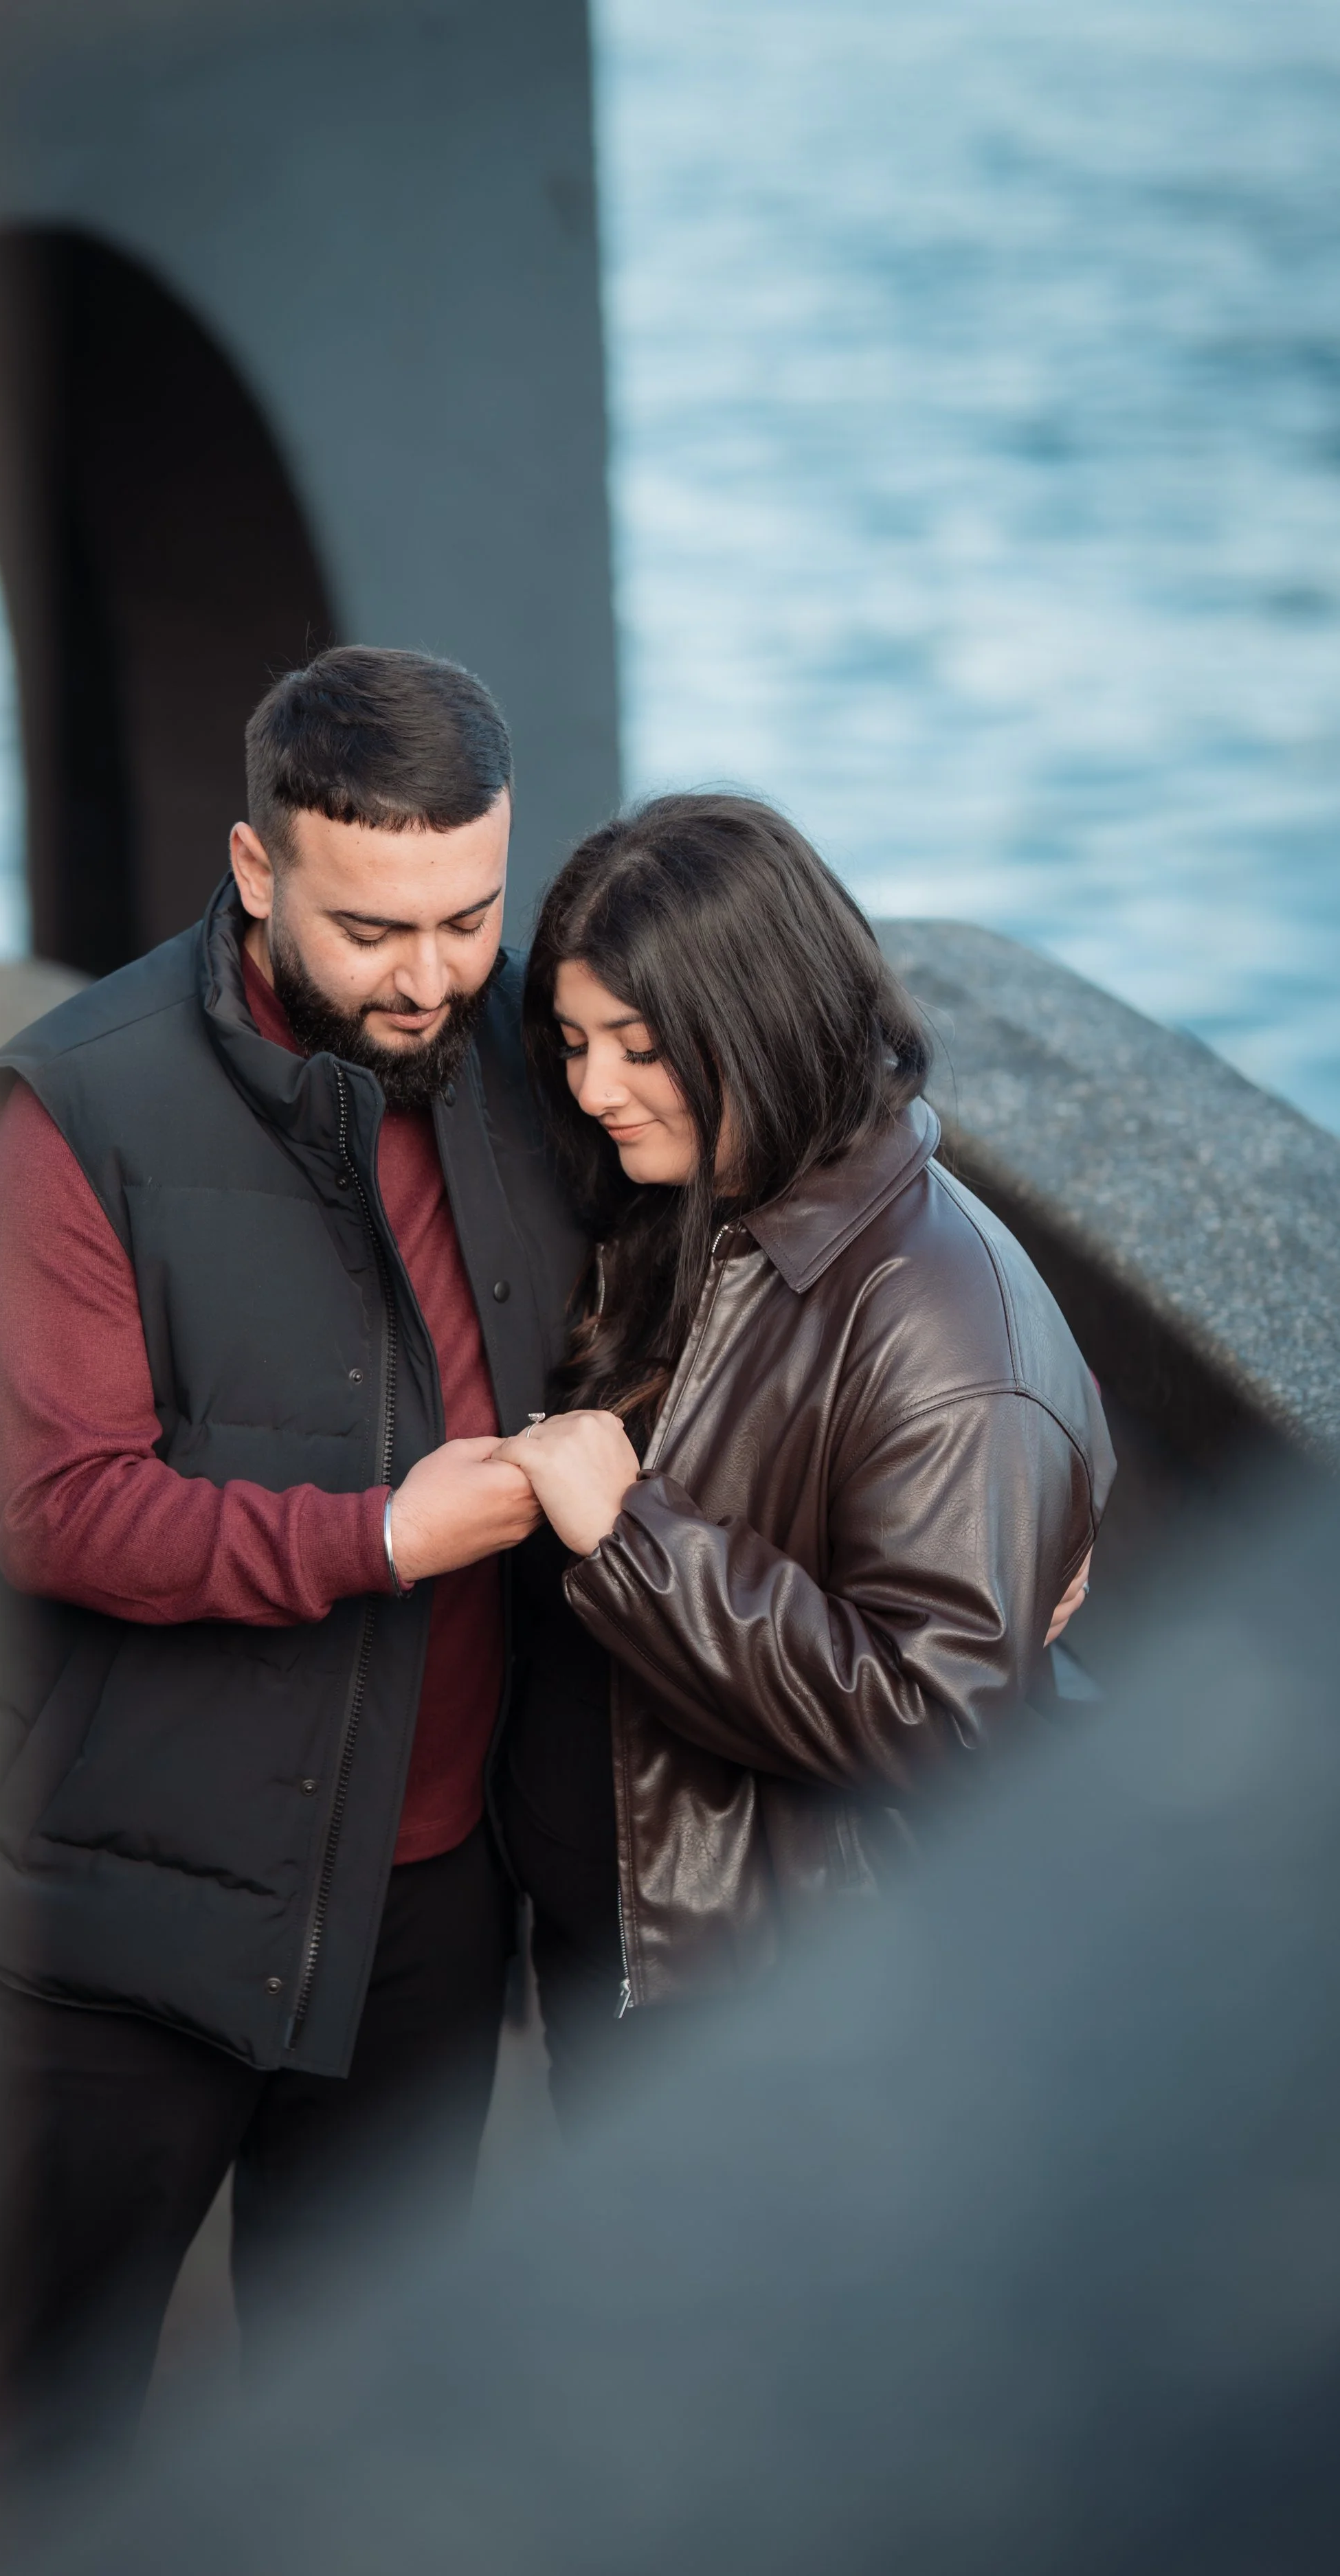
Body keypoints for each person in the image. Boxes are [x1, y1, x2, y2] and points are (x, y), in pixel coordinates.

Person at [0, 648, 585, 2497]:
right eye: (374, 928)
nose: (433, 974)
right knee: (39, 2413)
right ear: (254, 864)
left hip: (433, 1891)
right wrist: (379, 1534)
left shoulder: (522, 1048)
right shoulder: (74, 1116)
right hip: (130, 1893)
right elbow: (60, 1507)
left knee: (365, 2407)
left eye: (470, 912)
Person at [493, 793, 1114, 2112]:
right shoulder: (690, 1206)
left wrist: (632, 1533)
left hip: (779, 2016)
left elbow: (937, 1722)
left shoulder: (947, 1326)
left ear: (757, 1021)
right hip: (625, 1954)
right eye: (573, 1043)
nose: (595, 1088)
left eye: (640, 1047)